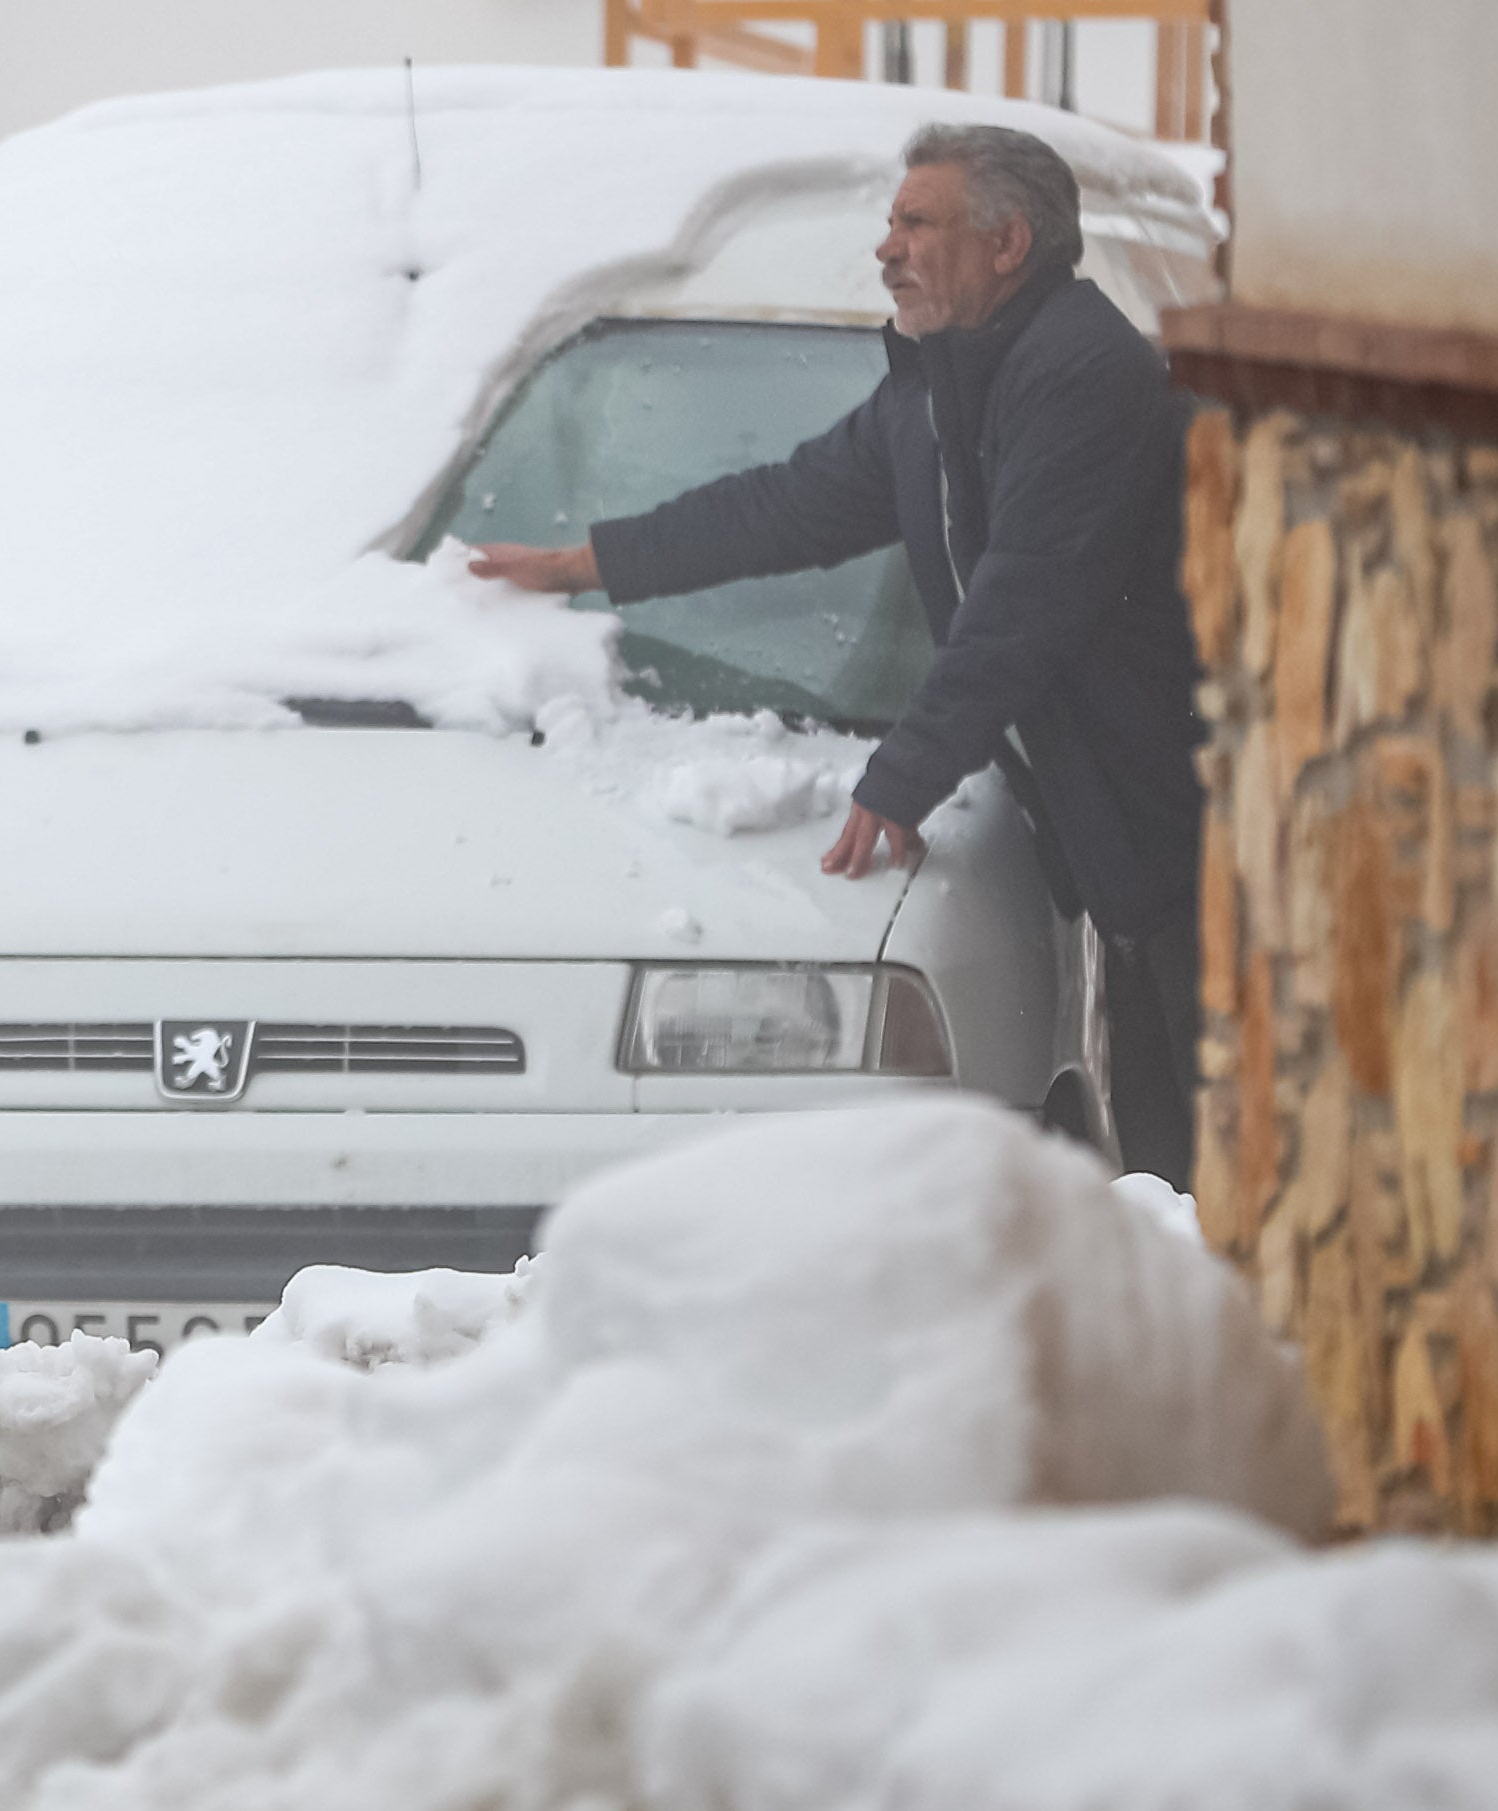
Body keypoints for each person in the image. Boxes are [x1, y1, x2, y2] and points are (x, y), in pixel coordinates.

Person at [465, 120, 1206, 1182]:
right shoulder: (936, 397)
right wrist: (585, 564)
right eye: (889, 222)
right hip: (1122, 851)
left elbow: (1024, 601)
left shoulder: (1081, 375)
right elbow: (784, 509)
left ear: (1008, 243)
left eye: (918, 222)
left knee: (1224, 1161)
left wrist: (900, 777)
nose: (887, 248)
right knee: (1170, 1166)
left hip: (1196, 839)